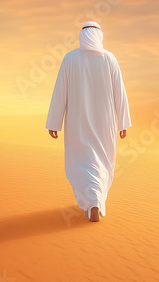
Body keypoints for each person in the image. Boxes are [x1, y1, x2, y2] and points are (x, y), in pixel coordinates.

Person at [46, 21, 131, 222]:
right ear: (100, 35)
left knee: (82, 161)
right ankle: (95, 200)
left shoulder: (70, 58)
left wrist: (54, 122)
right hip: (105, 121)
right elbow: (120, 92)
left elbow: (60, 92)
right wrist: (123, 122)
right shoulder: (109, 58)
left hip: (78, 121)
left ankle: (91, 202)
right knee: (102, 160)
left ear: (82, 36)